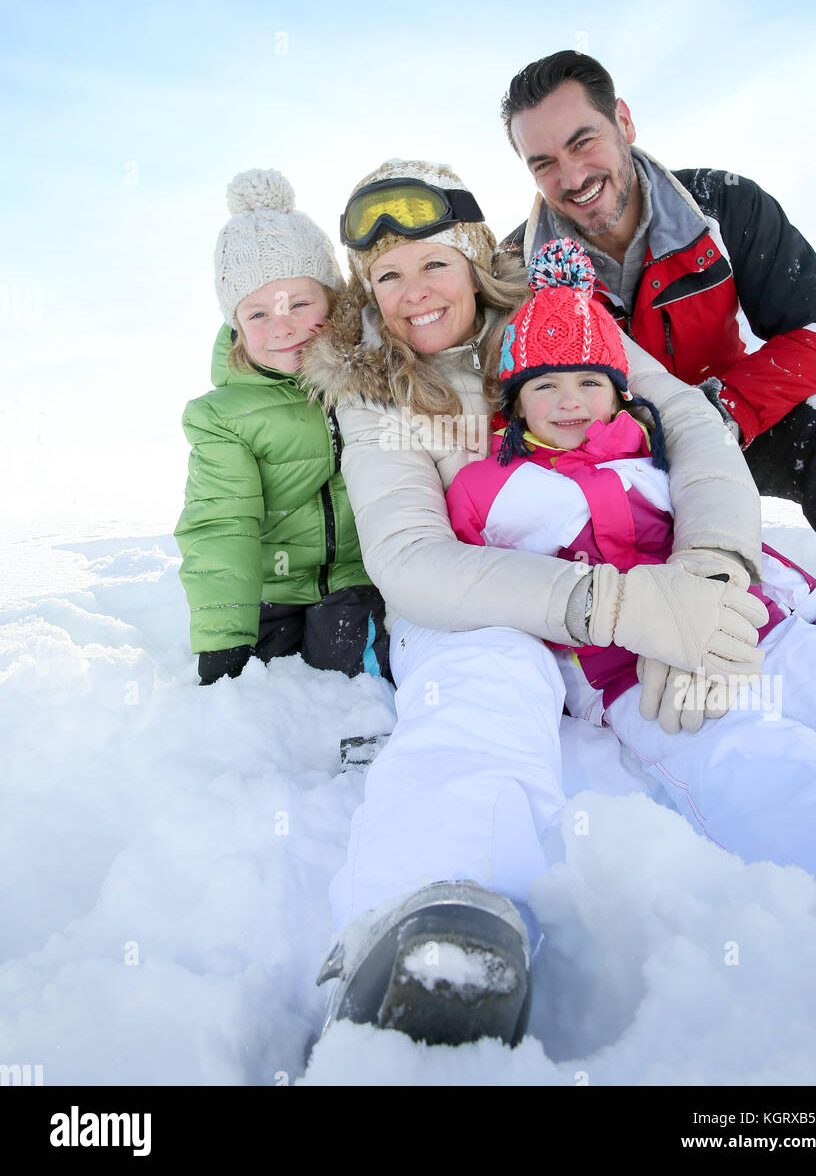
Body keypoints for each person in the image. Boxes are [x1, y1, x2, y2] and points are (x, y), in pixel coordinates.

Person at [301, 158, 768, 1048]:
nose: (413, 294)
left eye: (433, 262)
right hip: (494, 604)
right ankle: (421, 916)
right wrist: (611, 605)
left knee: (755, 646)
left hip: (641, 568)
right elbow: (411, 557)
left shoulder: (559, 324)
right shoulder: (376, 387)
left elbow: (693, 426)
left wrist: (709, 573)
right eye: (386, 276)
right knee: (484, 676)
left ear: (476, 257)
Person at [445, 236, 816, 909]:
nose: (569, 401)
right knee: (740, 750)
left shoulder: (655, 455)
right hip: (632, 670)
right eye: (544, 385)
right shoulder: (487, 489)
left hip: (748, 625)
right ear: (515, 400)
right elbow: (481, 588)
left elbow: (729, 533)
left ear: (618, 391)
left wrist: (806, 607)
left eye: (590, 381)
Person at [499, 50, 816, 591]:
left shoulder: (724, 205)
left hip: (733, 419)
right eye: (544, 163)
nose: (573, 177)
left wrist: (723, 410)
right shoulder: (517, 270)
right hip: (607, 455)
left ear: (623, 120)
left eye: (583, 142)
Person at [175, 168, 389, 685]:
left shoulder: (367, 374)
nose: (284, 327)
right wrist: (225, 638)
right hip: (272, 588)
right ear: (236, 326)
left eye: (299, 304)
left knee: (354, 682)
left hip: (355, 584)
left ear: (332, 297)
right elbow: (221, 523)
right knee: (266, 693)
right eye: (258, 315)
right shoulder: (222, 416)